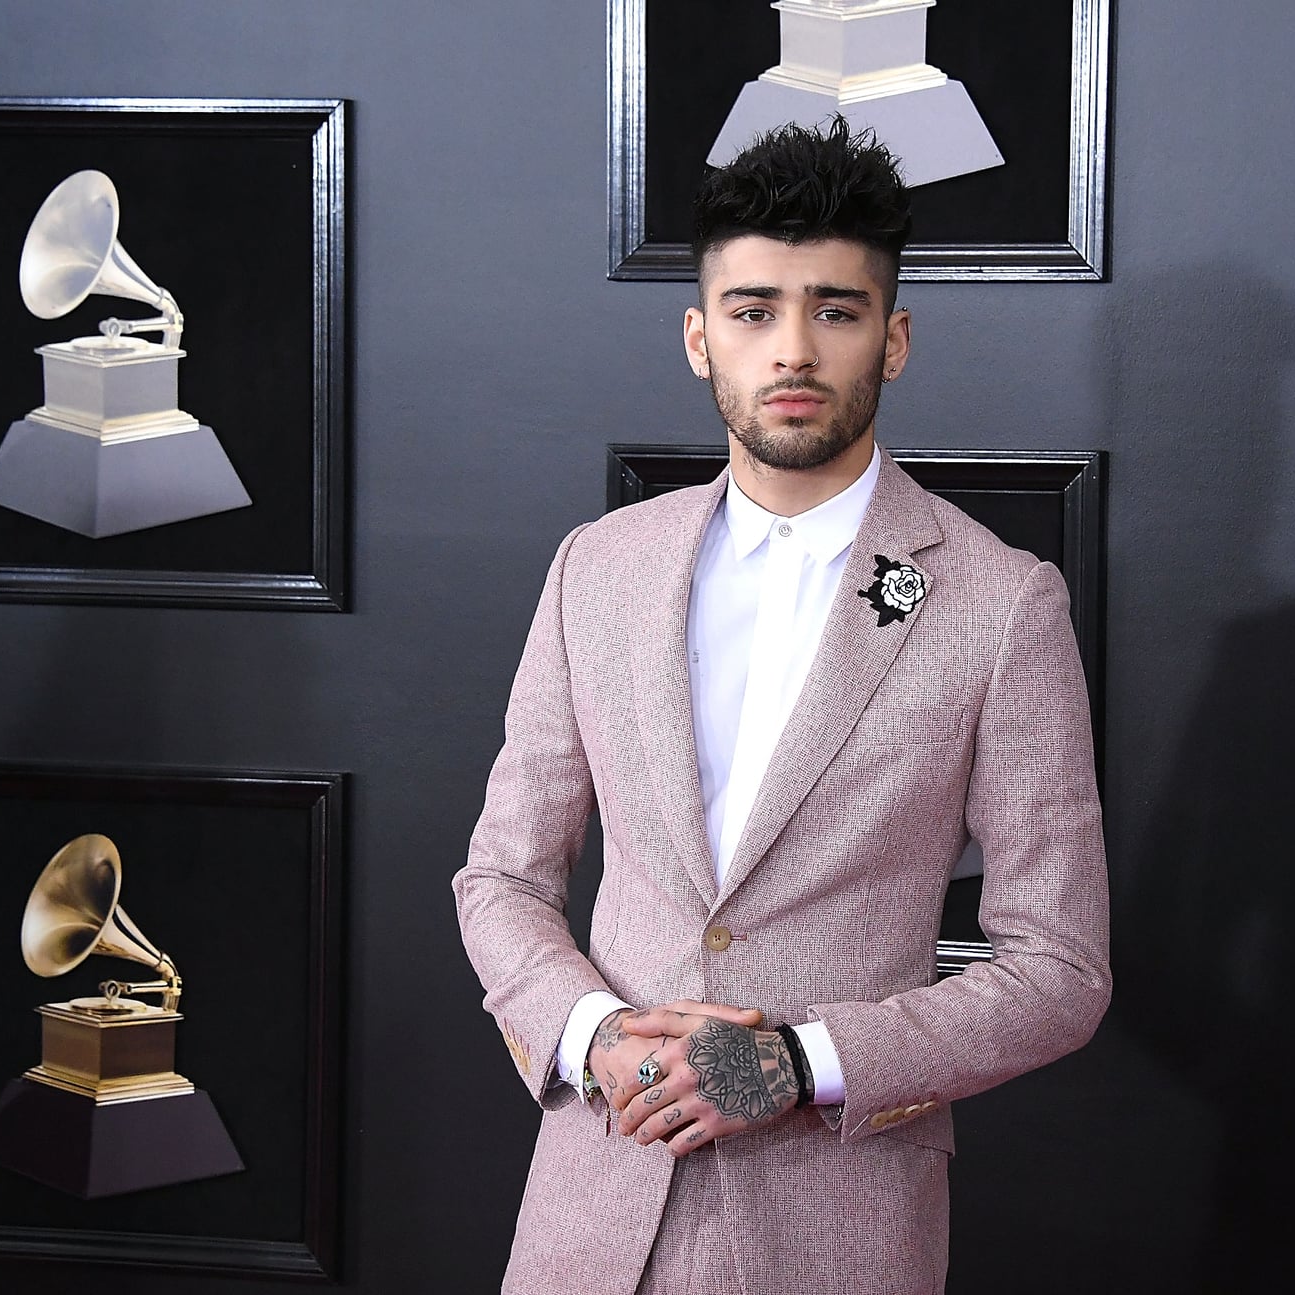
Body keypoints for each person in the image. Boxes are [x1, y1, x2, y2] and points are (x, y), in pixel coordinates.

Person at [454, 116, 1109, 1295]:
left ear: (893, 339)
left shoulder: (1002, 603)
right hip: (589, 1216)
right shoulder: (594, 568)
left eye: (836, 310)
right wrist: (593, 1031)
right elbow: (499, 877)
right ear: (699, 338)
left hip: (837, 1228)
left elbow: (1060, 967)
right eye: (754, 311)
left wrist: (797, 1064)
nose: (792, 350)